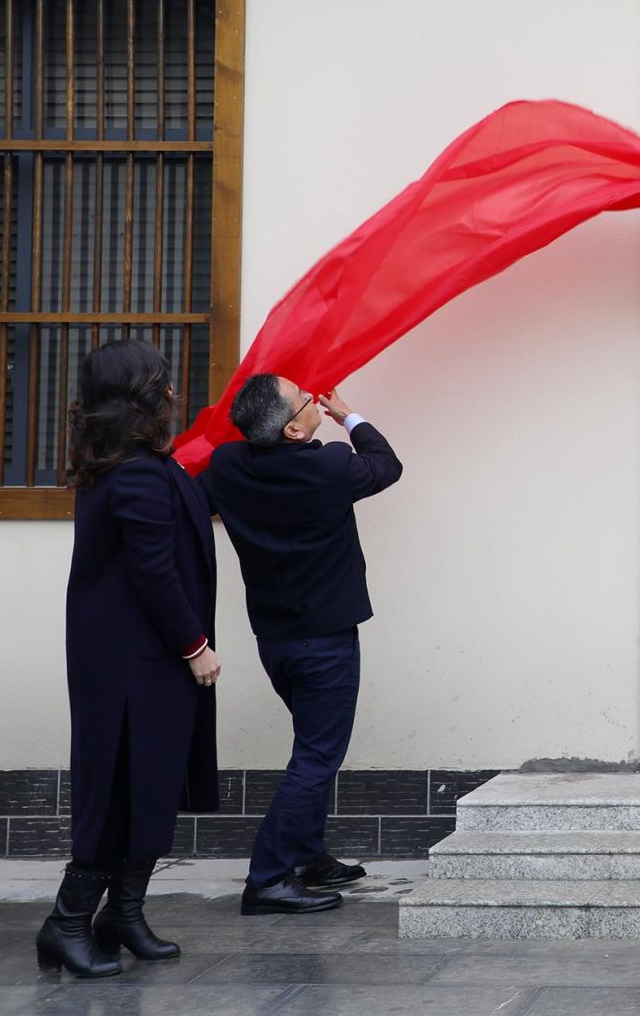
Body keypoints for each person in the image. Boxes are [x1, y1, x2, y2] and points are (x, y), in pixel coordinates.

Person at [41, 339, 221, 977]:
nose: (171, 392)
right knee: (120, 784)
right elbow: (153, 572)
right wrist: (195, 645)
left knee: (148, 781)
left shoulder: (132, 463)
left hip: (139, 656)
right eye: (161, 382)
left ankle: (125, 913)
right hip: (131, 658)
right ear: (139, 394)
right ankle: (67, 922)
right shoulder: (135, 470)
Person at [201, 376, 402, 915]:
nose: (316, 400)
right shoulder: (330, 466)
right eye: (307, 401)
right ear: (293, 428)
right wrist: (349, 415)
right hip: (326, 644)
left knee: (313, 746)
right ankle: (267, 878)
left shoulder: (227, 467)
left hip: (276, 639)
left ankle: (309, 856)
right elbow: (386, 465)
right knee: (316, 757)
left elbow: (197, 502)